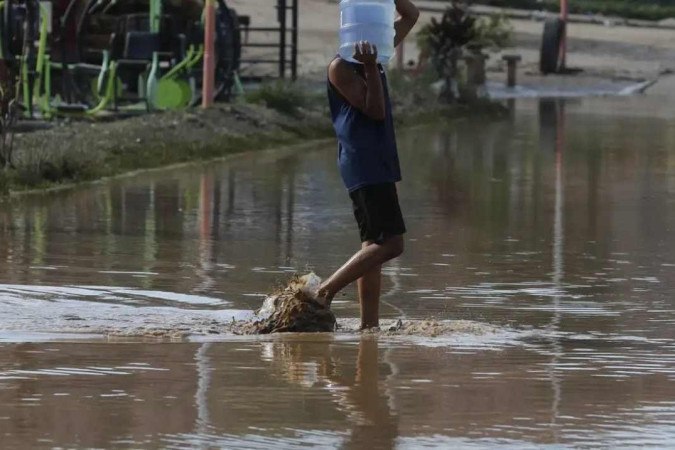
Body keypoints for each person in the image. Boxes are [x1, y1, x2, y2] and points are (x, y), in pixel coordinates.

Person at [315, 0, 420, 329]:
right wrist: (372, 66)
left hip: (377, 160)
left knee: (372, 246)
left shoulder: (380, 50)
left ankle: (368, 326)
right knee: (391, 244)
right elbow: (375, 110)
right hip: (364, 163)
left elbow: (411, 15)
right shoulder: (341, 68)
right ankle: (324, 292)